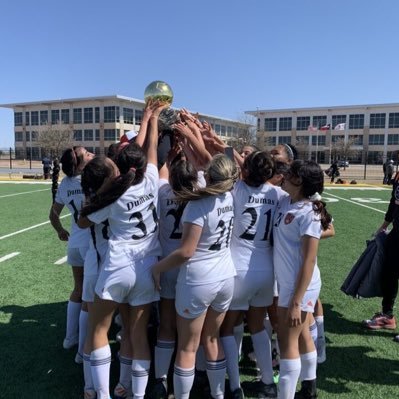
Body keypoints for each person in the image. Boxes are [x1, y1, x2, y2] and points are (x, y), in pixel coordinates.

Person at [77, 101, 165, 399]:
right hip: (147, 267)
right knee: (137, 333)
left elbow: (82, 220)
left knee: (98, 330)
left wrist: (98, 194)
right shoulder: (151, 181)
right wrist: (151, 118)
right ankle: (133, 393)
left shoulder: (111, 196)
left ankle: (100, 393)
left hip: (118, 266)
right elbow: (150, 147)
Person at [152, 154, 238, 399]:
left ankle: (167, 384)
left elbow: (187, 251)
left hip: (197, 277)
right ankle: (218, 394)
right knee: (211, 339)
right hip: (225, 276)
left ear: (209, 176)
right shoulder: (229, 196)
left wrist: (156, 269)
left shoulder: (196, 203)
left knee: (187, 346)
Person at [220, 151, 279, 399]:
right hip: (267, 270)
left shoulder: (236, 190)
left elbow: (221, 163)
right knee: (257, 326)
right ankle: (267, 381)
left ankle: (234, 386)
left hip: (239, 269)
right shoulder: (278, 194)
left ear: (244, 170)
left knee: (226, 328)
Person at [273, 160, 332, 399]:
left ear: (300, 181)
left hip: (299, 286)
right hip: (291, 284)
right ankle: (309, 389)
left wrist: (296, 301)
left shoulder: (309, 213)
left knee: (287, 342)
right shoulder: (287, 200)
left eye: (291, 173)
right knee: (304, 335)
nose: (285, 176)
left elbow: (309, 260)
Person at [49, 146, 94, 359]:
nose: (91, 154)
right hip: (90, 243)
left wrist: (60, 231)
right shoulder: (91, 179)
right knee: (88, 295)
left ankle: (70, 338)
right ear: (78, 163)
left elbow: (53, 214)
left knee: (77, 289)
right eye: (87, 153)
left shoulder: (65, 184)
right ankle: (81, 350)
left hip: (74, 243)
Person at [363, 171, 399, 339]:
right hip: (397, 234)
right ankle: (387, 315)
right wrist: (384, 226)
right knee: (389, 274)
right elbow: (394, 203)